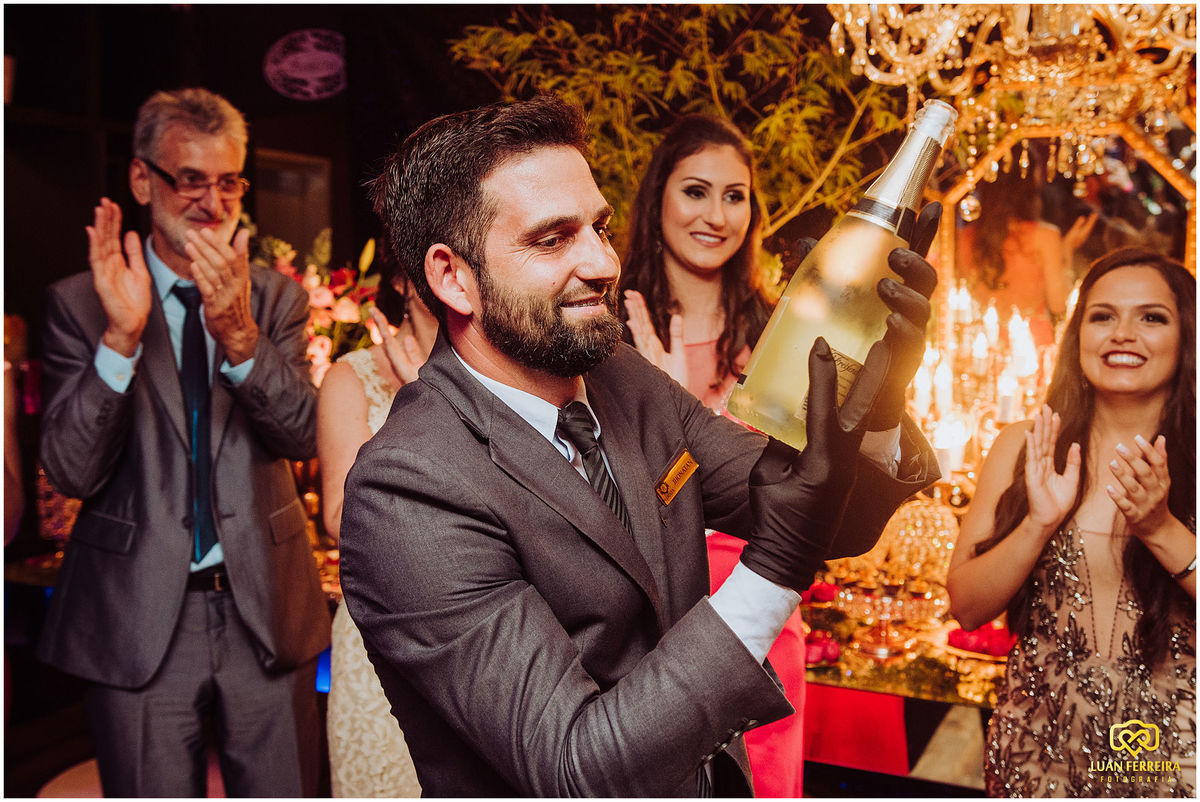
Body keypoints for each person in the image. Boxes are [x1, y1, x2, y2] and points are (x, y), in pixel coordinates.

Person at [339, 94, 942, 796]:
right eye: (552, 239)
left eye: (598, 227)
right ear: (453, 278)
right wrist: (776, 563)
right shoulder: (408, 488)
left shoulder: (621, 379)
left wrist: (880, 393)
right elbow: (576, 769)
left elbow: (830, 511)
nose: (601, 262)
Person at [37, 88, 329, 797]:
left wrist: (240, 339)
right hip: (138, 622)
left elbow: (301, 434)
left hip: (266, 612)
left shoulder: (275, 300)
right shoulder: (81, 302)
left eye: (228, 180)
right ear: (143, 180)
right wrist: (119, 339)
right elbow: (71, 469)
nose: (212, 199)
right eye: (190, 178)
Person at [947, 247, 1196, 797]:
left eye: (1151, 317)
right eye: (1102, 315)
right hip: (1035, 752)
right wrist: (1037, 523)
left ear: (1185, 339)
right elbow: (966, 607)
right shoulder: (1024, 447)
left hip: (1170, 760)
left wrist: (1159, 528)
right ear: (1077, 334)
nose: (1122, 334)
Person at [318, 273, 436, 797]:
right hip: (379, 643)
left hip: (485, 636)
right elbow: (344, 520)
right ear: (402, 277)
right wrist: (419, 413)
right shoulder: (351, 377)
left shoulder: (508, 371)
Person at [958, 164, 1097, 346]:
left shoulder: (966, 237)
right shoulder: (1045, 237)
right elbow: (1059, 304)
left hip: (981, 342)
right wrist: (1067, 250)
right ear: (1029, 185)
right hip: (1029, 342)